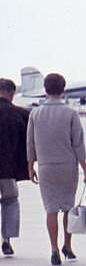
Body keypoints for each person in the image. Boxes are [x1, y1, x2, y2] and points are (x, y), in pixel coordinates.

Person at [26, 73, 86, 266]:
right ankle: (68, 245)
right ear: (63, 89)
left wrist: (30, 166)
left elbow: (30, 143)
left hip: (46, 167)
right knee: (67, 208)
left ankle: (54, 248)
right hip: (68, 167)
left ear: (45, 89)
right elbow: (78, 145)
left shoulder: (35, 114)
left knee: (51, 210)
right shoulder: (70, 114)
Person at [0, 78, 29, 256]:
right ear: (12, 93)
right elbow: (29, 143)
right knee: (10, 201)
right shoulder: (21, 114)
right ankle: (6, 240)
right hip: (8, 170)